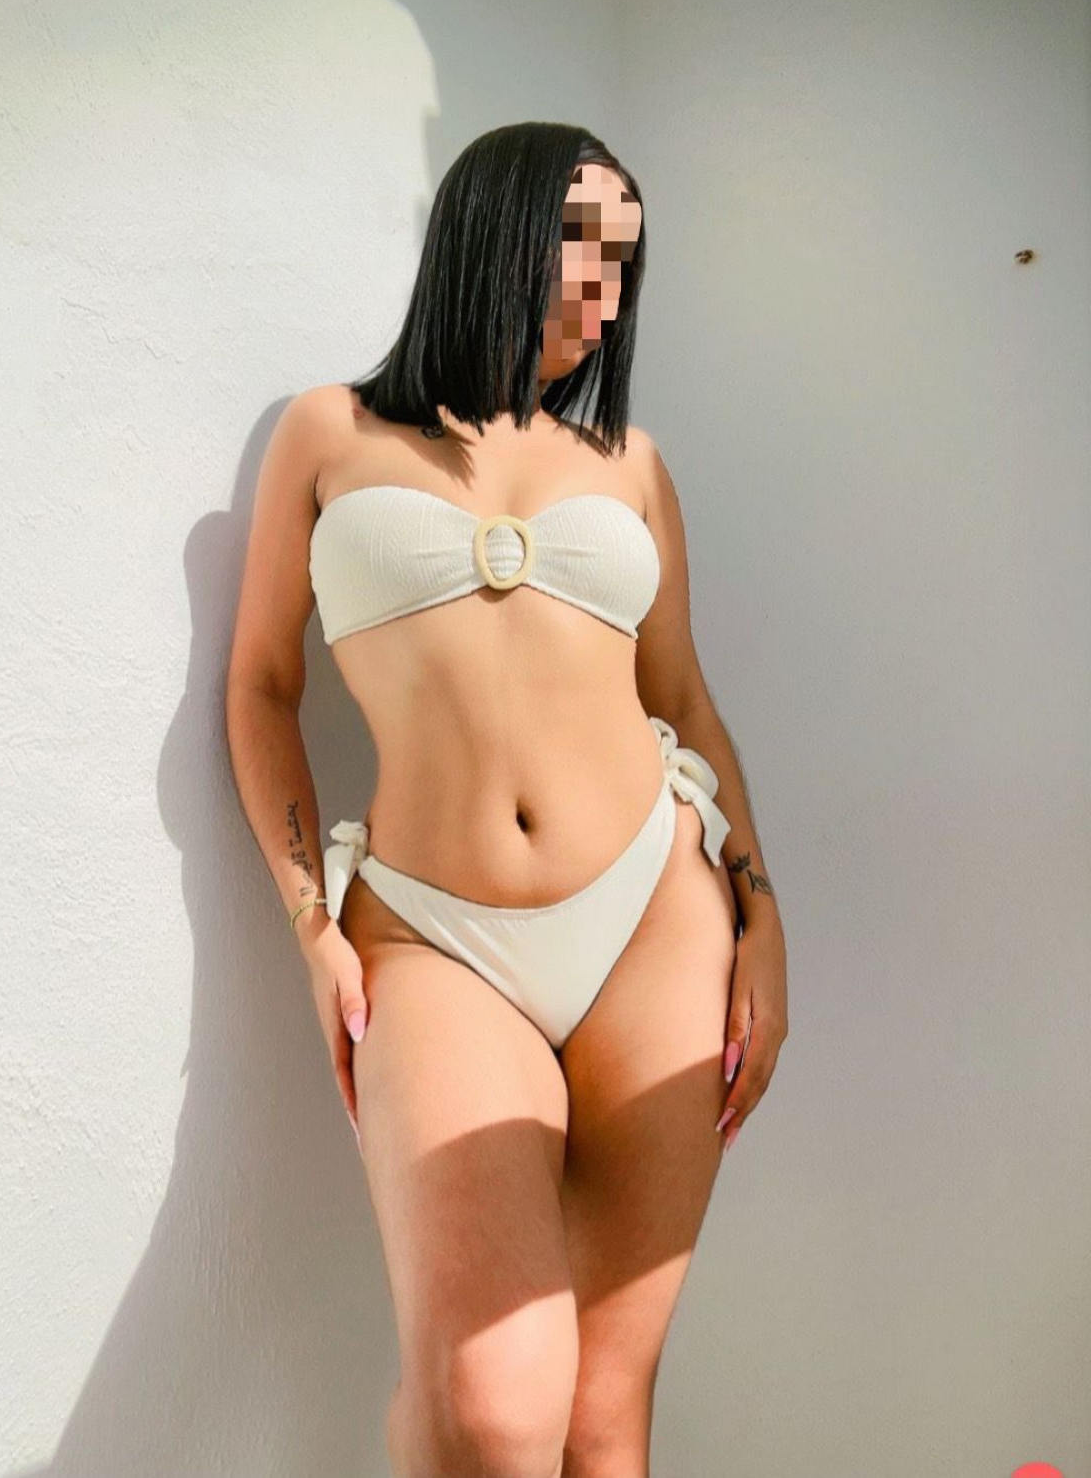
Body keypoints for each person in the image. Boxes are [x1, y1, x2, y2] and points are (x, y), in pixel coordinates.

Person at [226, 121, 789, 1478]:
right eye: (579, 246)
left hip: (656, 919)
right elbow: (260, 687)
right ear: (492, 224)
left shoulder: (631, 464)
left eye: (623, 267)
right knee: (490, 1408)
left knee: (603, 1420)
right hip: (433, 934)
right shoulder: (328, 433)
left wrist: (762, 918)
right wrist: (311, 925)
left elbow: (685, 700)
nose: (602, 293)